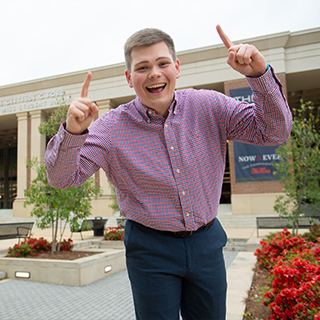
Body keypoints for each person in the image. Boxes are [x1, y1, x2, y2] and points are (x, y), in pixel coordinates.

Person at [45, 25, 292, 320]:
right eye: (143, 67)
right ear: (129, 78)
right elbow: (61, 179)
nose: (154, 73)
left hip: (207, 242)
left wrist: (258, 74)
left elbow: (275, 132)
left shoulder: (209, 105)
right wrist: (74, 132)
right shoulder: (109, 128)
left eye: (162, 63)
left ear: (176, 67)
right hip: (150, 248)